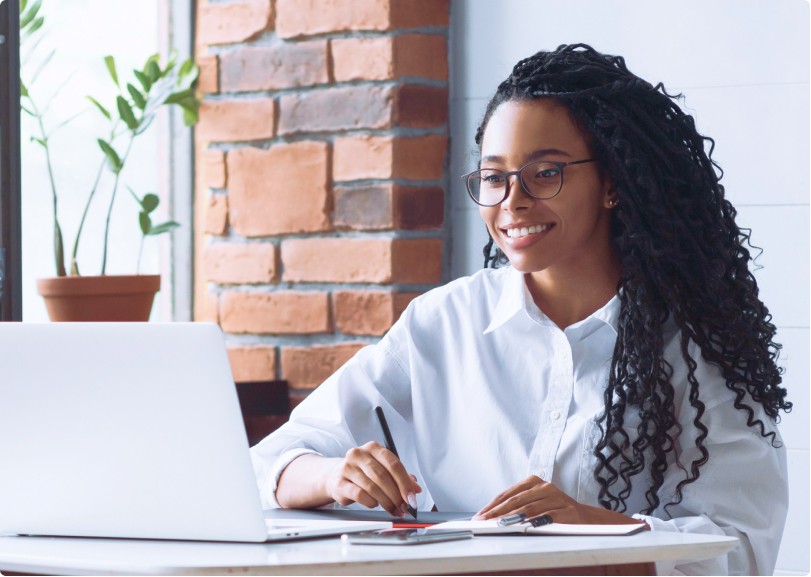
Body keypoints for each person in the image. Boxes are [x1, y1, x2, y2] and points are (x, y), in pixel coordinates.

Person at [250, 44, 791, 575]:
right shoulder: (443, 322)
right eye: (494, 176)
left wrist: (592, 531)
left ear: (612, 184)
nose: (512, 200)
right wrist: (333, 476)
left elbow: (739, 548)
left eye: (545, 173)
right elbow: (265, 464)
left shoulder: (694, 345)